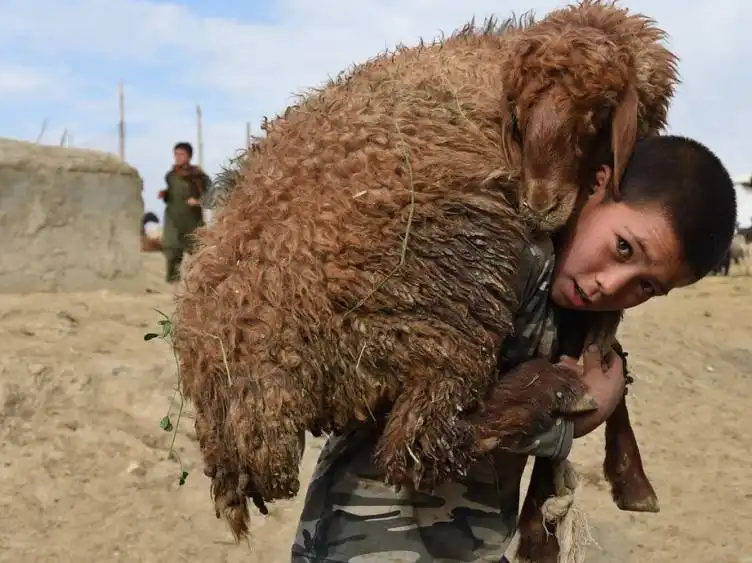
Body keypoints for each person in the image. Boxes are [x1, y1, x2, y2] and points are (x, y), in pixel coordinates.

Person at [290, 134, 738, 562]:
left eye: (645, 285)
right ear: (599, 184)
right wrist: (577, 421)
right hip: (366, 540)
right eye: (623, 247)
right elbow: (416, 418)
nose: (610, 285)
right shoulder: (496, 257)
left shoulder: (572, 305)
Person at [158, 142, 211, 285]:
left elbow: (211, 194)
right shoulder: (170, 175)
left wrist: (198, 201)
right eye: (176, 154)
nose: (177, 157)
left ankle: (201, 285)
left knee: (199, 253)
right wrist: (165, 194)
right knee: (172, 251)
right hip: (173, 220)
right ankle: (173, 287)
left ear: (189, 156)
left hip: (192, 221)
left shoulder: (199, 176)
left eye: (181, 154)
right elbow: (173, 193)